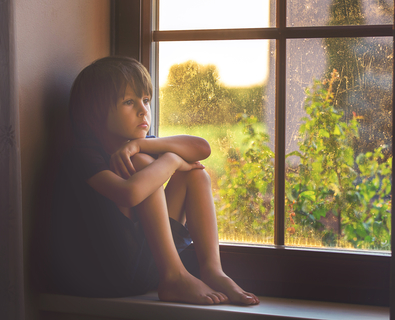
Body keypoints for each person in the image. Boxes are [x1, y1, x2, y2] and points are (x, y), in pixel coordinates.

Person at [49, 56, 259, 305]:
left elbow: (202, 148)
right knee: (145, 166)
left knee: (195, 174)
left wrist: (142, 143)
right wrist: (171, 161)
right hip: (104, 276)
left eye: (146, 100)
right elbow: (129, 194)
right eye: (129, 102)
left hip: (146, 268)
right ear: (94, 113)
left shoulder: (140, 147)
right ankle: (175, 275)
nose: (143, 110)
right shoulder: (83, 155)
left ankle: (212, 270)